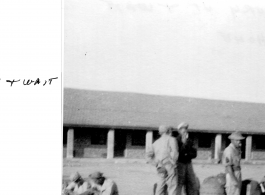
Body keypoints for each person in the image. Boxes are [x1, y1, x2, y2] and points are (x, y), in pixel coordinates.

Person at [146, 125, 179, 195]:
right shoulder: (172, 139)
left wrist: (156, 163)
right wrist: (174, 163)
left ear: (160, 132)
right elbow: (175, 152)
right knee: (172, 185)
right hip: (169, 165)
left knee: (160, 185)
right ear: (168, 131)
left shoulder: (156, 143)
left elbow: (148, 156)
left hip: (160, 166)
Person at [177, 122, 198, 195]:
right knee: (179, 182)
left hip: (188, 163)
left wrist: (187, 154)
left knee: (191, 182)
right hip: (180, 163)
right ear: (179, 131)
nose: (185, 131)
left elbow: (194, 153)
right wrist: (183, 146)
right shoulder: (176, 140)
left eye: (186, 129)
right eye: (183, 129)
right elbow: (178, 153)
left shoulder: (190, 141)